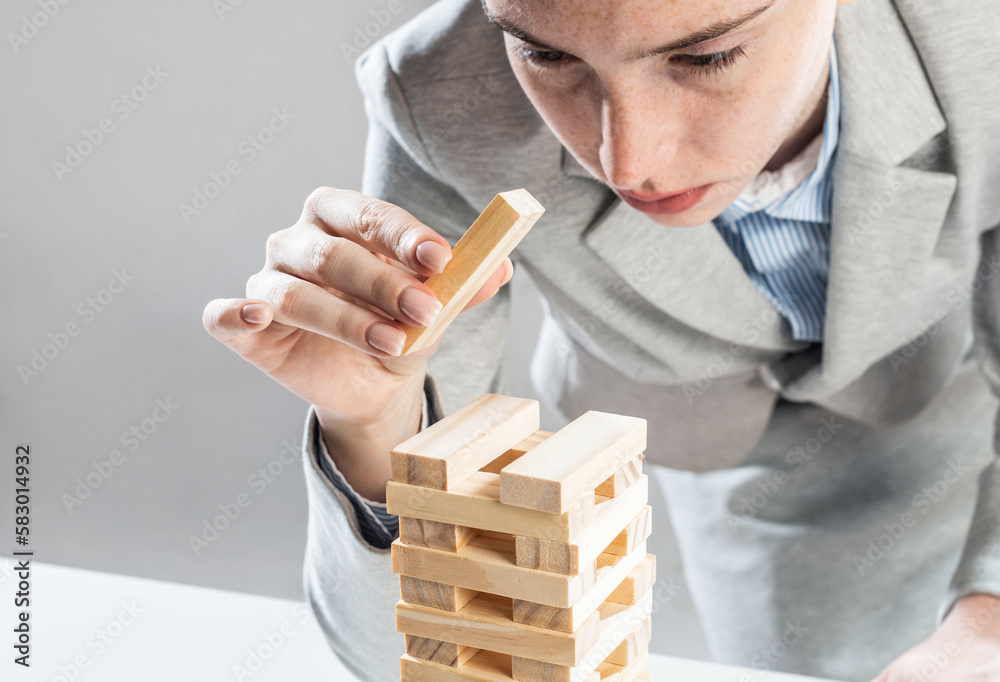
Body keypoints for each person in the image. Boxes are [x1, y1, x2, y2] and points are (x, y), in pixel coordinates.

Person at [202, 0, 1000, 680]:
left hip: (958, 389)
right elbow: (410, 657)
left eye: (708, 54)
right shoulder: (438, 95)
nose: (629, 160)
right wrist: (373, 426)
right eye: (544, 53)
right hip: (709, 436)